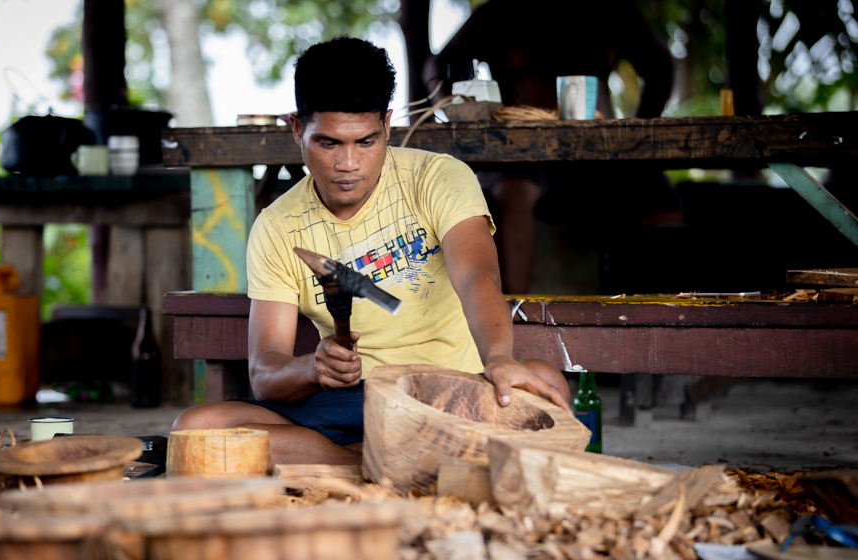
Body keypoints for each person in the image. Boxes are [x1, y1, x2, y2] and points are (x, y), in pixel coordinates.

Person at [172, 37, 570, 465]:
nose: (348, 164)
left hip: (449, 396)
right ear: (295, 128)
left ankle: (355, 461)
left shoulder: (438, 178)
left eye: (365, 142)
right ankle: (369, 463)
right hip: (346, 404)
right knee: (194, 429)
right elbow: (266, 375)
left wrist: (498, 358)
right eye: (328, 143)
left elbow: (478, 278)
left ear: (387, 126)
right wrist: (313, 369)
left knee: (543, 383)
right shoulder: (277, 225)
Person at [426, 0, 681, 293]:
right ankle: (514, 320)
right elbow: (438, 66)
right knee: (514, 193)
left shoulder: (612, 10)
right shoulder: (496, 13)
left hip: (600, 157)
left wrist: (634, 143)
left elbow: (660, 66)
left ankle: (662, 314)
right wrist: (464, 120)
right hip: (517, 158)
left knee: (656, 195)